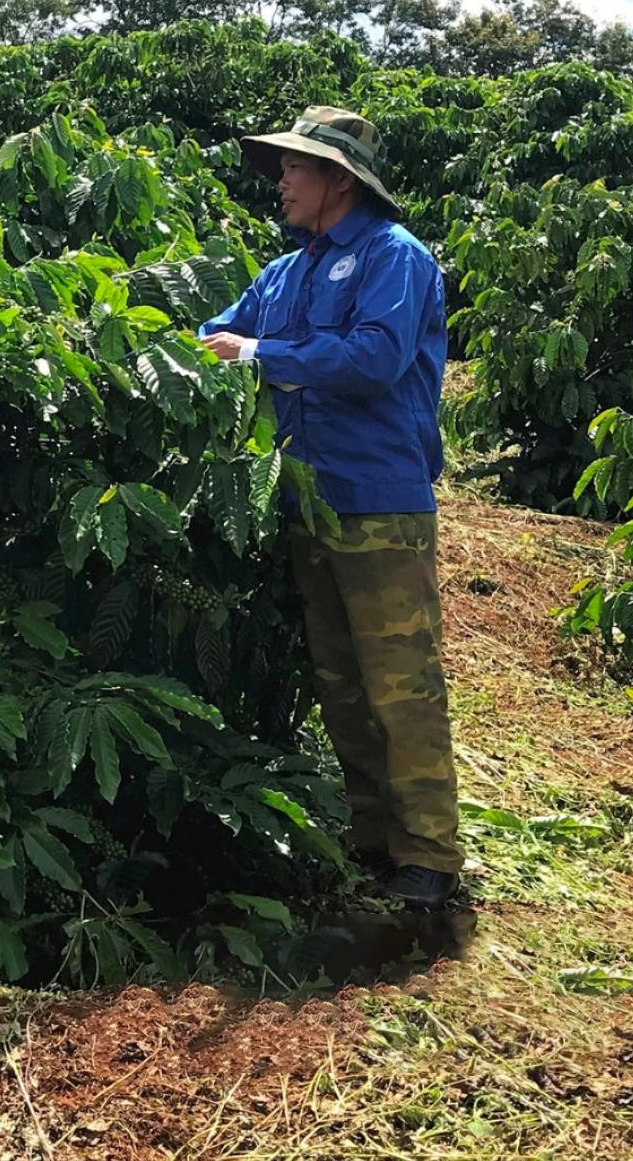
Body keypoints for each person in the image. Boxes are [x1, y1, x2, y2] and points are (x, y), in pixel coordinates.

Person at [197, 105, 463, 911]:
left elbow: (377, 359)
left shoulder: (394, 257)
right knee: (341, 680)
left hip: (378, 500)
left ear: (338, 179)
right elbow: (222, 330)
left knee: (400, 683)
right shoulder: (286, 272)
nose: (281, 182)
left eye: (295, 168)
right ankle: (373, 838)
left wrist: (261, 355)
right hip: (306, 501)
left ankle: (430, 859)